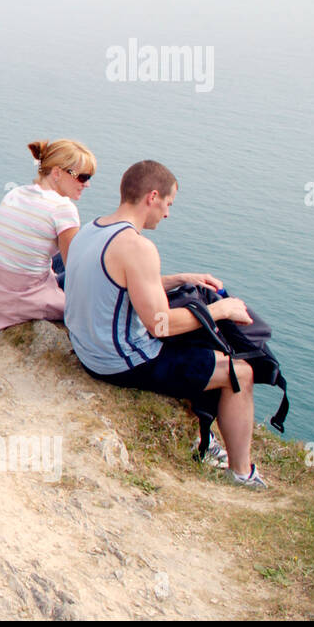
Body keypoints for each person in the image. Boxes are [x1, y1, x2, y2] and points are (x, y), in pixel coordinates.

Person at [62, 160, 265, 488]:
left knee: (199, 345)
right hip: (119, 363)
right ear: (152, 197)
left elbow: (119, 280)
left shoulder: (94, 228)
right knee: (240, 372)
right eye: (168, 204)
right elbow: (160, 326)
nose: (167, 214)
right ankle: (242, 474)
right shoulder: (138, 247)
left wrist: (183, 279)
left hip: (88, 348)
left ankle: (205, 438)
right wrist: (222, 309)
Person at [0, 139, 96, 336]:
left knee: (66, 255)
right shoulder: (63, 209)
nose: (87, 184)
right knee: (89, 279)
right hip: (22, 296)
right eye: (82, 177)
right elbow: (74, 269)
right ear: (57, 173)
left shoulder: (15, 193)